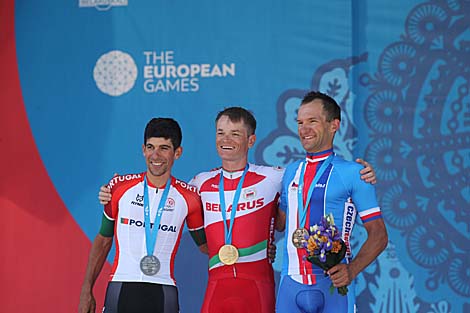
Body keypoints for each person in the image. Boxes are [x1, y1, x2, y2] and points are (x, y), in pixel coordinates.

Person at [98, 107, 377, 313]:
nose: (226, 139)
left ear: (251, 140)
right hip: (217, 287)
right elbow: (161, 198)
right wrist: (110, 192)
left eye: (234, 133)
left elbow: (313, 178)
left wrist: (363, 174)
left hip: (258, 287)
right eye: (220, 133)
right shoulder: (199, 183)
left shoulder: (275, 177)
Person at [79, 118, 207, 313]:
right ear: (143, 149)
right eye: (150, 147)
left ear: (177, 153)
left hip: (163, 291)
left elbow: (207, 246)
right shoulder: (119, 188)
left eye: (164, 148)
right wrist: (86, 290)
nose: (155, 155)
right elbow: (104, 239)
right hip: (121, 287)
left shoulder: (189, 197)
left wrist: (253, 249)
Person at [275, 91, 388, 313]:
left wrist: (352, 269)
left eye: (312, 121)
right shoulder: (290, 172)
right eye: (300, 122)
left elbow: (379, 235)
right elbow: (279, 223)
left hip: (333, 286)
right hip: (290, 285)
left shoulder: (355, 173)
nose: (303, 129)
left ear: (333, 125)